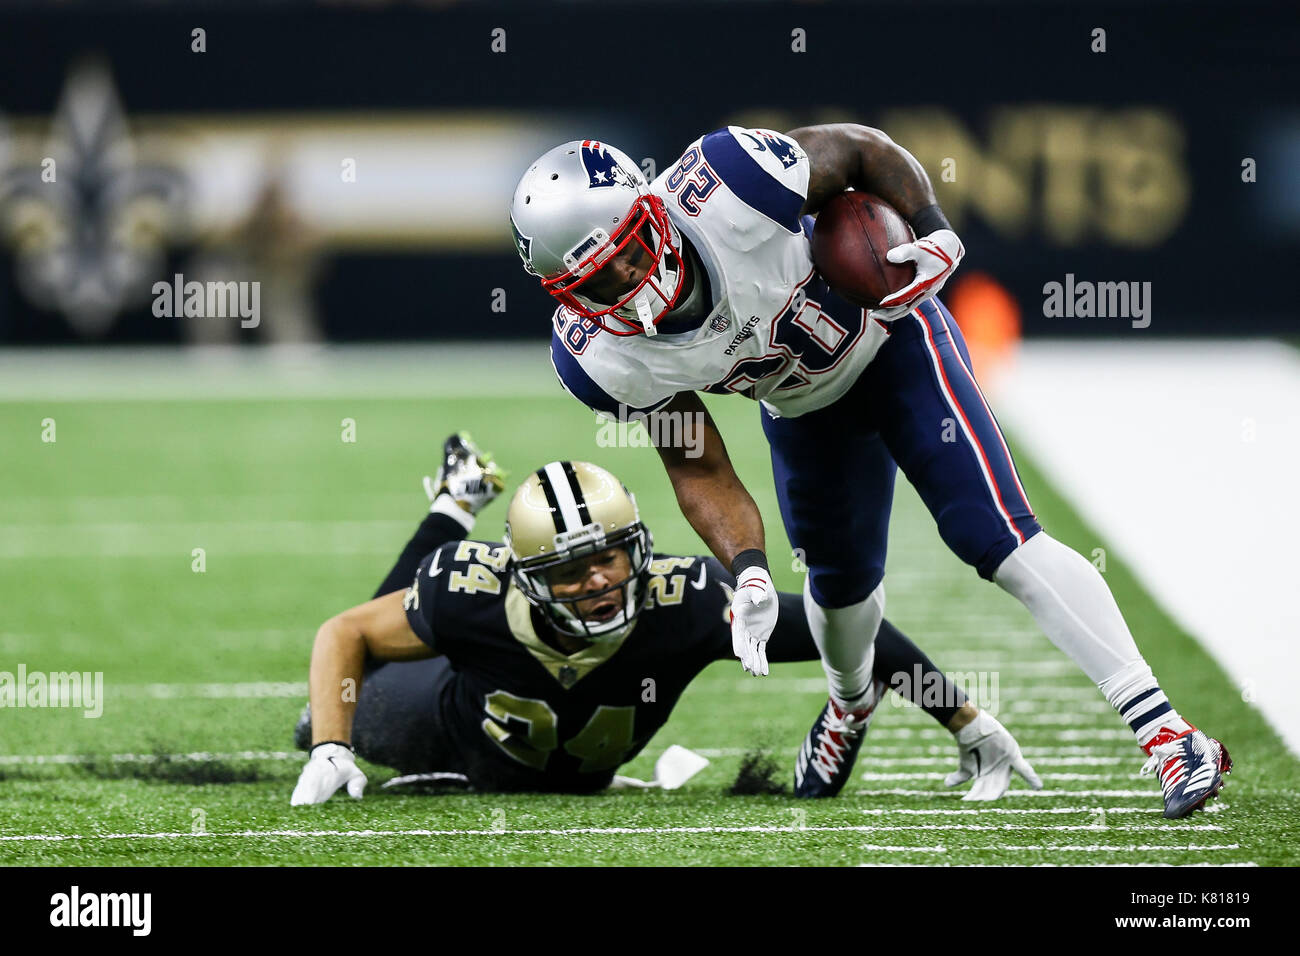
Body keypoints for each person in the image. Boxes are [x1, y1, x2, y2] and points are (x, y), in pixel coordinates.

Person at [509, 128, 1229, 816]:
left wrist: (933, 225)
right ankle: (851, 704)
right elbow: (696, 463)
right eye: (595, 282)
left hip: (892, 340)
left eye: (626, 254)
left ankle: (1168, 734)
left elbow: (859, 149)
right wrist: (751, 569)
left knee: (995, 537)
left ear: (651, 213)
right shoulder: (601, 355)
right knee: (840, 597)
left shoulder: (728, 184)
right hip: (802, 406)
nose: (625, 282)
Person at [290, 435, 1039, 804]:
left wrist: (964, 720)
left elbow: (848, 624)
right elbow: (343, 631)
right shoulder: (477, 590)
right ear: (528, 577)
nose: (597, 580)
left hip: (565, 764)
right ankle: (455, 503)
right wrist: (330, 745)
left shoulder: (685, 601)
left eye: (611, 556)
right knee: (344, 697)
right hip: (443, 726)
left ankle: (455, 499)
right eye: (570, 570)